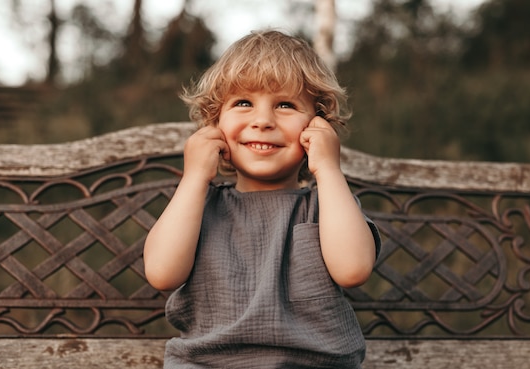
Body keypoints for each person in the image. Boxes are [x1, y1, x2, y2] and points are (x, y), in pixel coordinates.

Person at [143, 29, 381, 368]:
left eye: (285, 105)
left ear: (317, 127)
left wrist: (328, 168)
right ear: (215, 124)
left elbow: (353, 269)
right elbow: (162, 273)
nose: (263, 121)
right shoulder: (200, 205)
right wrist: (194, 177)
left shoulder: (324, 206)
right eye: (243, 103)